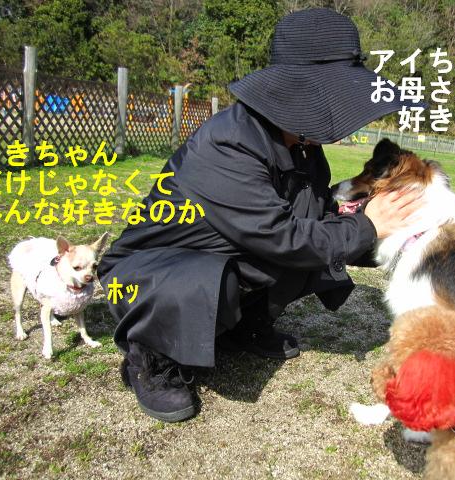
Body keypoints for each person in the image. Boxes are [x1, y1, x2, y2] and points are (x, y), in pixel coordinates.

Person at [97, 8, 422, 423]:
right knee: (210, 276)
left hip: (226, 252)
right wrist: (367, 225)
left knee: (314, 248)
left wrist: (400, 235)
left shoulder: (301, 146)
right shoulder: (229, 143)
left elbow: (317, 218)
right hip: (151, 271)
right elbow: (280, 236)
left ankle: (243, 327)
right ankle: (151, 357)